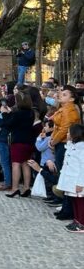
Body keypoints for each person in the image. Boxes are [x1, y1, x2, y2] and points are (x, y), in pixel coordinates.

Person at [0, 90, 38, 197]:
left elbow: (8, 124)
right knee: (25, 164)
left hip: (18, 141)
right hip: (29, 141)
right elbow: (19, 121)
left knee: (16, 164)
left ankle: (15, 188)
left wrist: (4, 114)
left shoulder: (18, 113)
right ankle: (26, 188)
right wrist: (10, 113)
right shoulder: (31, 112)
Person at [50, 85, 81, 220]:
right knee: (63, 175)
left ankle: (68, 209)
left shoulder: (69, 110)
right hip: (60, 143)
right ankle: (66, 206)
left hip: (63, 144)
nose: (61, 95)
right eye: (61, 93)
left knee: (66, 176)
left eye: (65, 94)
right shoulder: (63, 108)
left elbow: (64, 129)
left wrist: (54, 141)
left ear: (72, 98)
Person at [57, 124, 84, 232]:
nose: (67, 134)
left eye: (68, 132)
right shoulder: (72, 146)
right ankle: (77, 220)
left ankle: (81, 223)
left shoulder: (82, 149)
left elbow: (83, 168)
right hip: (70, 180)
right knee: (74, 201)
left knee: (80, 202)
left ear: (75, 134)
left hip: (77, 181)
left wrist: (80, 183)